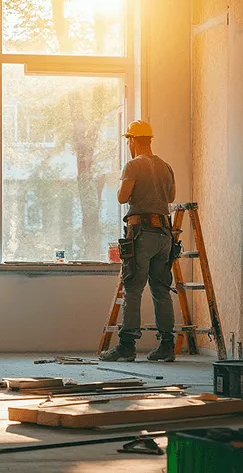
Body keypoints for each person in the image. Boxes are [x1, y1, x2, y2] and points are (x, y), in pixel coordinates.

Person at [99, 120, 177, 363]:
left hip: (142, 234)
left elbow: (123, 197)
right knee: (161, 290)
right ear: (149, 140)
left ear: (132, 140)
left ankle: (126, 346)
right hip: (165, 234)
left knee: (133, 289)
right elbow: (171, 196)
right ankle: (167, 346)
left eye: (128, 140)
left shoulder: (133, 165)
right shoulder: (166, 166)